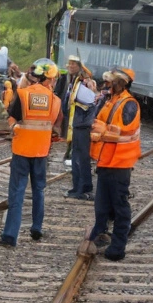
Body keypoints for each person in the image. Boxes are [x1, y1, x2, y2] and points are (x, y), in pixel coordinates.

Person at [0, 59, 62, 247]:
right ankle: (37, 227)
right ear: (50, 79)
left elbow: (12, 117)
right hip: (41, 151)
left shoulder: (23, 94)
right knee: (39, 190)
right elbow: (51, 124)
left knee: (17, 192)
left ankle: (10, 236)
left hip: (22, 149)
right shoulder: (54, 100)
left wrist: (14, 127)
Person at [85, 68, 140, 261]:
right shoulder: (111, 101)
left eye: (112, 82)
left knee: (119, 207)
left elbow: (124, 132)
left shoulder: (129, 104)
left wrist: (102, 129)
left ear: (122, 83)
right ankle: (99, 234)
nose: (108, 85)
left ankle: (117, 248)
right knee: (101, 205)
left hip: (120, 163)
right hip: (106, 161)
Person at [61, 56, 96, 199]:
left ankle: (83, 188)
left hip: (82, 125)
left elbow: (89, 101)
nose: (70, 66)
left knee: (81, 158)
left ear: (80, 67)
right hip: (76, 124)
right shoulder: (73, 81)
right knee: (76, 157)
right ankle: (78, 187)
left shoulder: (84, 83)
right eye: (69, 63)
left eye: (73, 64)